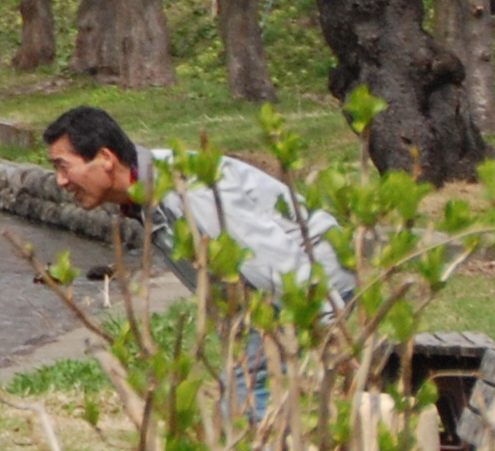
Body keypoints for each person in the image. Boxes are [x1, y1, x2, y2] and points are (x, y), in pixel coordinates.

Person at [42, 104, 350, 303]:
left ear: (105, 158)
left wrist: (330, 325)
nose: (60, 181)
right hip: (282, 303)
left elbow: (270, 258)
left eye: (63, 166)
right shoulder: (144, 194)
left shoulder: (186, 187)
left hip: (324, 290)